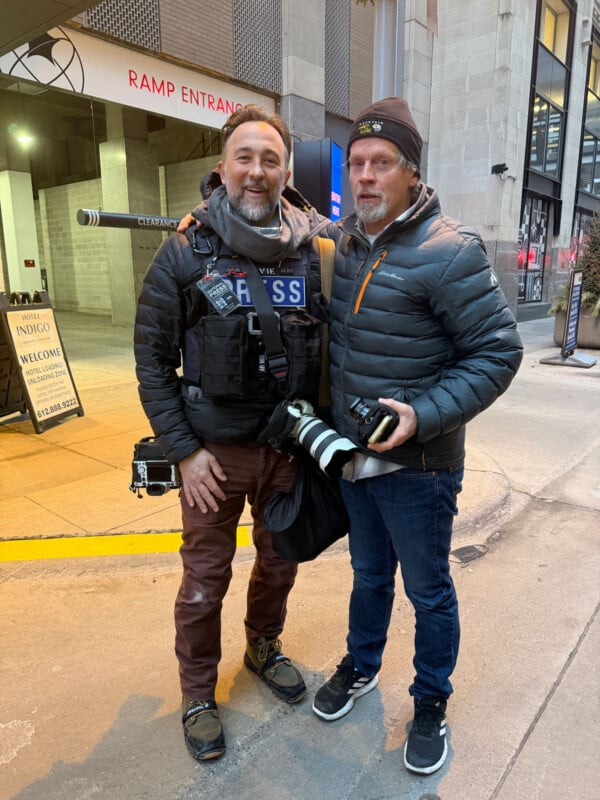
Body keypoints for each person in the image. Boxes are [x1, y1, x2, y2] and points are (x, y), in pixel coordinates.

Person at [311, 97, 524, 775]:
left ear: (411, 174)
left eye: (383, 163)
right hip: (354, 458)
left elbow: (497, 354)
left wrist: (421, 416)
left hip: (420, 467)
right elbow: (281, 224)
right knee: (368, 574)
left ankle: (430, 699)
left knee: (428, 591)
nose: (368, 176)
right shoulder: (347, 241)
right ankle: (363, 663)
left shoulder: (449, 250)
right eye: (359, 164)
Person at [134, 104, 335, 763]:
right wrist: (184, 453)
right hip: (212, 458)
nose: (256, 170)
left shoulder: (316, 250)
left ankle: (262, 647)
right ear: (222, 169)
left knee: (279, 566)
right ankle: (197, 692)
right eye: (244, 157)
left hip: (287, 452)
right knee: (203, 581)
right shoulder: (184, 253)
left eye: (270, 159)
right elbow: (152, 361)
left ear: (286, 172)